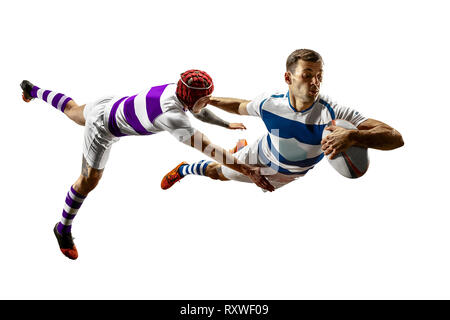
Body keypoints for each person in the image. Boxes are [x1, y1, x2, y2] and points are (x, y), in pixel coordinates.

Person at [20, 70, 274, 260]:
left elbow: (198, 107)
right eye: (205, 99)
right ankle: (62, 227)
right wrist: (248, 170)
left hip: (109, 104)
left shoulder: (176, 90)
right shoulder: (172, 117)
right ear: (190, 98)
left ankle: (33, 91)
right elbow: (209, 148)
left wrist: (225, 124)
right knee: (88, 181)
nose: (209, 102)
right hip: (103, 128)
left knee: (74, 111)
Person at [161, 49, 404, 190]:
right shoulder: (271, 103)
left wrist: (354, 135)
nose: (315, 82)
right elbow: (240, 106)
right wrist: (211, 100)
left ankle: (238, 150)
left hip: (288, 174)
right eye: (307, 75)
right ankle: (185, 169)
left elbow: (396, 138)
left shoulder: (333, 112)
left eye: (319, 76)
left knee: (230, 173)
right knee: (220, 173)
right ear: (288, 78)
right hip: (260, 154)